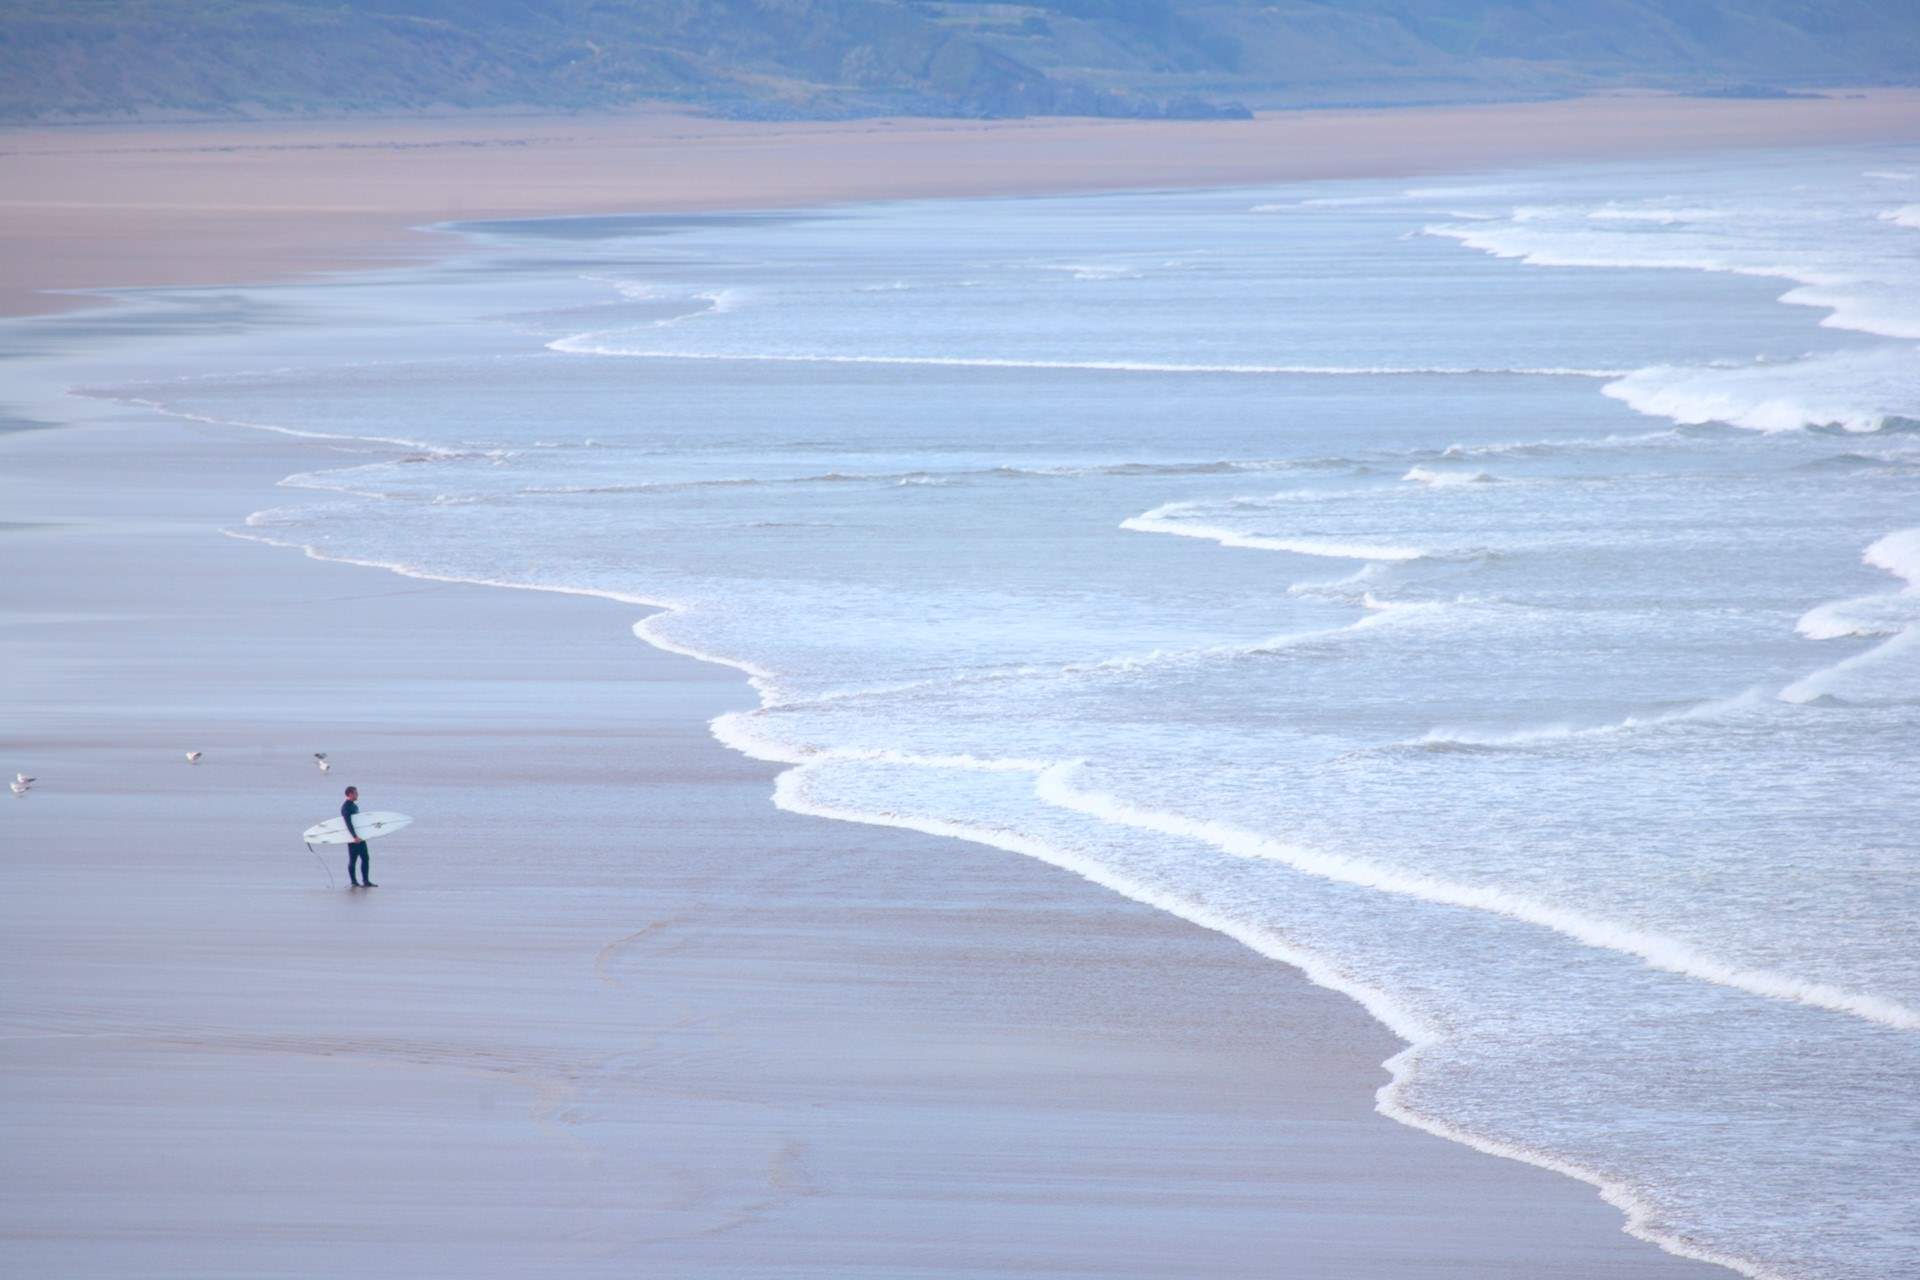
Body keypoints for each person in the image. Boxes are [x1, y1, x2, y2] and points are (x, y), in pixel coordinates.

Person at [341, 786, 376, 888]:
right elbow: (348, 823)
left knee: (365, 858)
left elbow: (358, 822)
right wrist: (354, 836)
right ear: (350, 794)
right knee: (353, 860)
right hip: (353, 838)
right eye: (356, 793)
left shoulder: (354, 806)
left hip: (360, 837)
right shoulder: (346, 807)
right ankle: (354, 881)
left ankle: (366, 881)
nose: (357, 795)